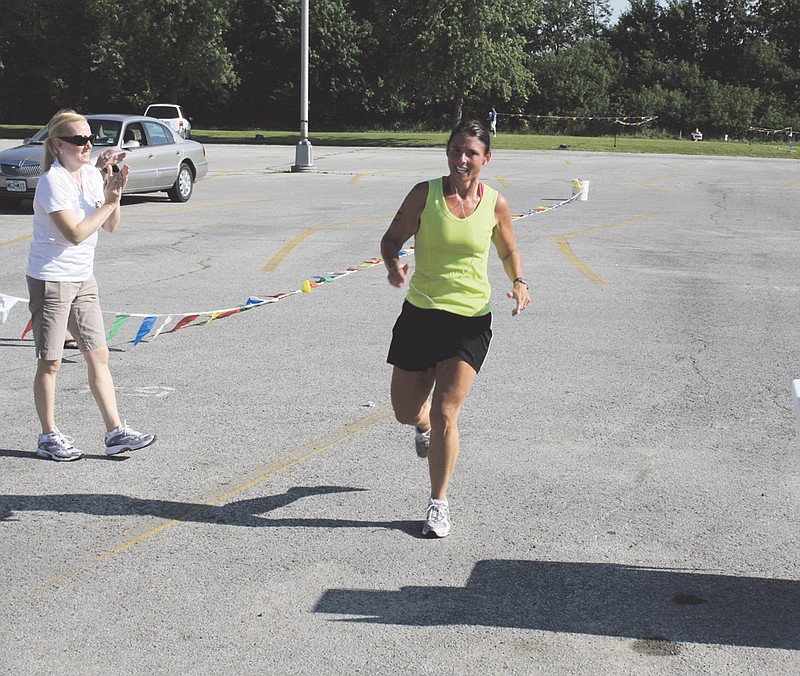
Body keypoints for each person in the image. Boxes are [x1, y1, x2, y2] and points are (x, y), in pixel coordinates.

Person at [380, 119, 530, 537]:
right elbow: (390, 239)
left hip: (470, 320)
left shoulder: (495, 203)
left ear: (486, 158)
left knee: (449, 410)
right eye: (454, 151)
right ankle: (421, 424)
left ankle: (438, 503)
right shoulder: (424, 194)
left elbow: (509, 248)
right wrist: (394, 266)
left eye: (471, 153)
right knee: (405, 411)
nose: (461, 160)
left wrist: (519, 281)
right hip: (421, 315)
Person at [27, 109, 156, 461]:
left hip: (83, 276)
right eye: (78, 140)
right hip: (52, 277)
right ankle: (48, 436)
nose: (87, 145)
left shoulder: (87, 174)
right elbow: (75, 233)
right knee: (50, 362)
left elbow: (109, 226)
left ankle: (115, 432)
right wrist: (109, 201)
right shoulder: (53, 181)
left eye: (90, 139)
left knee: (98, 354)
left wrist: (113, 192)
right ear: (58, 145)